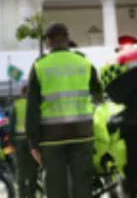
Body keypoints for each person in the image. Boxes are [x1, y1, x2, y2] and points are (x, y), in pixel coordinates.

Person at [26, 23, 102, 198]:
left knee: (55, 187)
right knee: (83, 185)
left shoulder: (40, 66)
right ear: (68, 40)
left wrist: (33, 142)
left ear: (48, 42)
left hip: (51, 138)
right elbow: (99, 98)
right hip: (82, 134)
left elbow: (32, 108)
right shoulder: (85, 63)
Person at [10, 85, 37, 198]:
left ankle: (21, 194)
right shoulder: (34, 104)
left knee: (21, 169)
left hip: (19, 141)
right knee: (32, 170)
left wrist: (12, 142)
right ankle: (32, 195)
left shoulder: (16, 105)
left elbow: (11, 125)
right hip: (31, 141)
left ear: (22, 93)